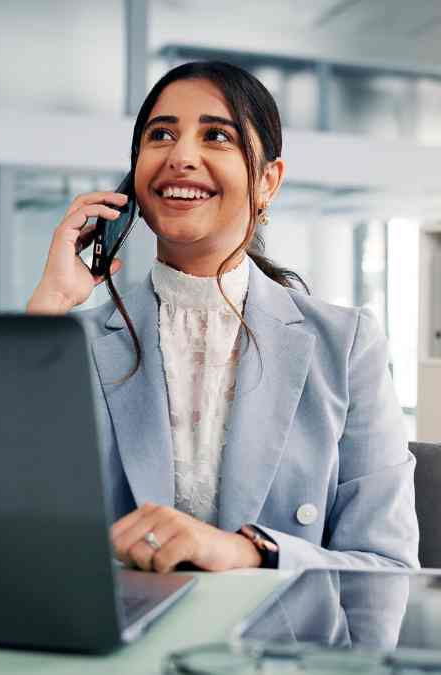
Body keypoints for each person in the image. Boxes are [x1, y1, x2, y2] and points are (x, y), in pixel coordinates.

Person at [26, 61, 419, 574]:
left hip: (285, 627)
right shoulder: (68, 342)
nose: (181, 156)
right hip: (117, 625)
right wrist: (51, 303)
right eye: (161, 135)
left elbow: (388, 569)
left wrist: (247, 552)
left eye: (216, 136)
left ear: (267, 181)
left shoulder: (345, 345)